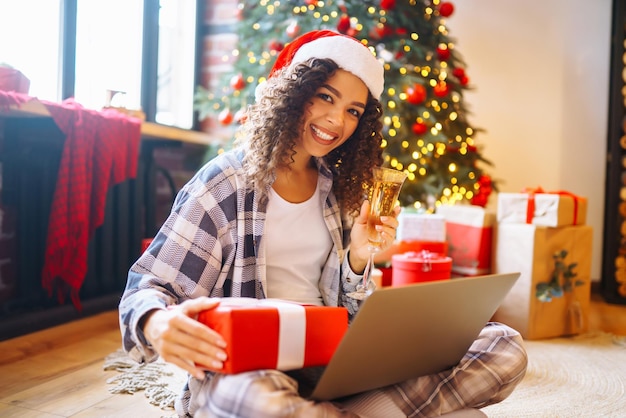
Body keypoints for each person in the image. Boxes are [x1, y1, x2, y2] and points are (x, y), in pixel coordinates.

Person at [119, 30, 527, 417]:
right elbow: (149, 289)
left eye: (353, 111)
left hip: (334, 362)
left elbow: (347, 311)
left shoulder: (338, 189)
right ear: (292, 94)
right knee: (251, 401)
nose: (337, 121)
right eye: (325, 97)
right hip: (257, 367)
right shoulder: (225, 183)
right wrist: (156, 322)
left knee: (503, 347)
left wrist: (358, 256)